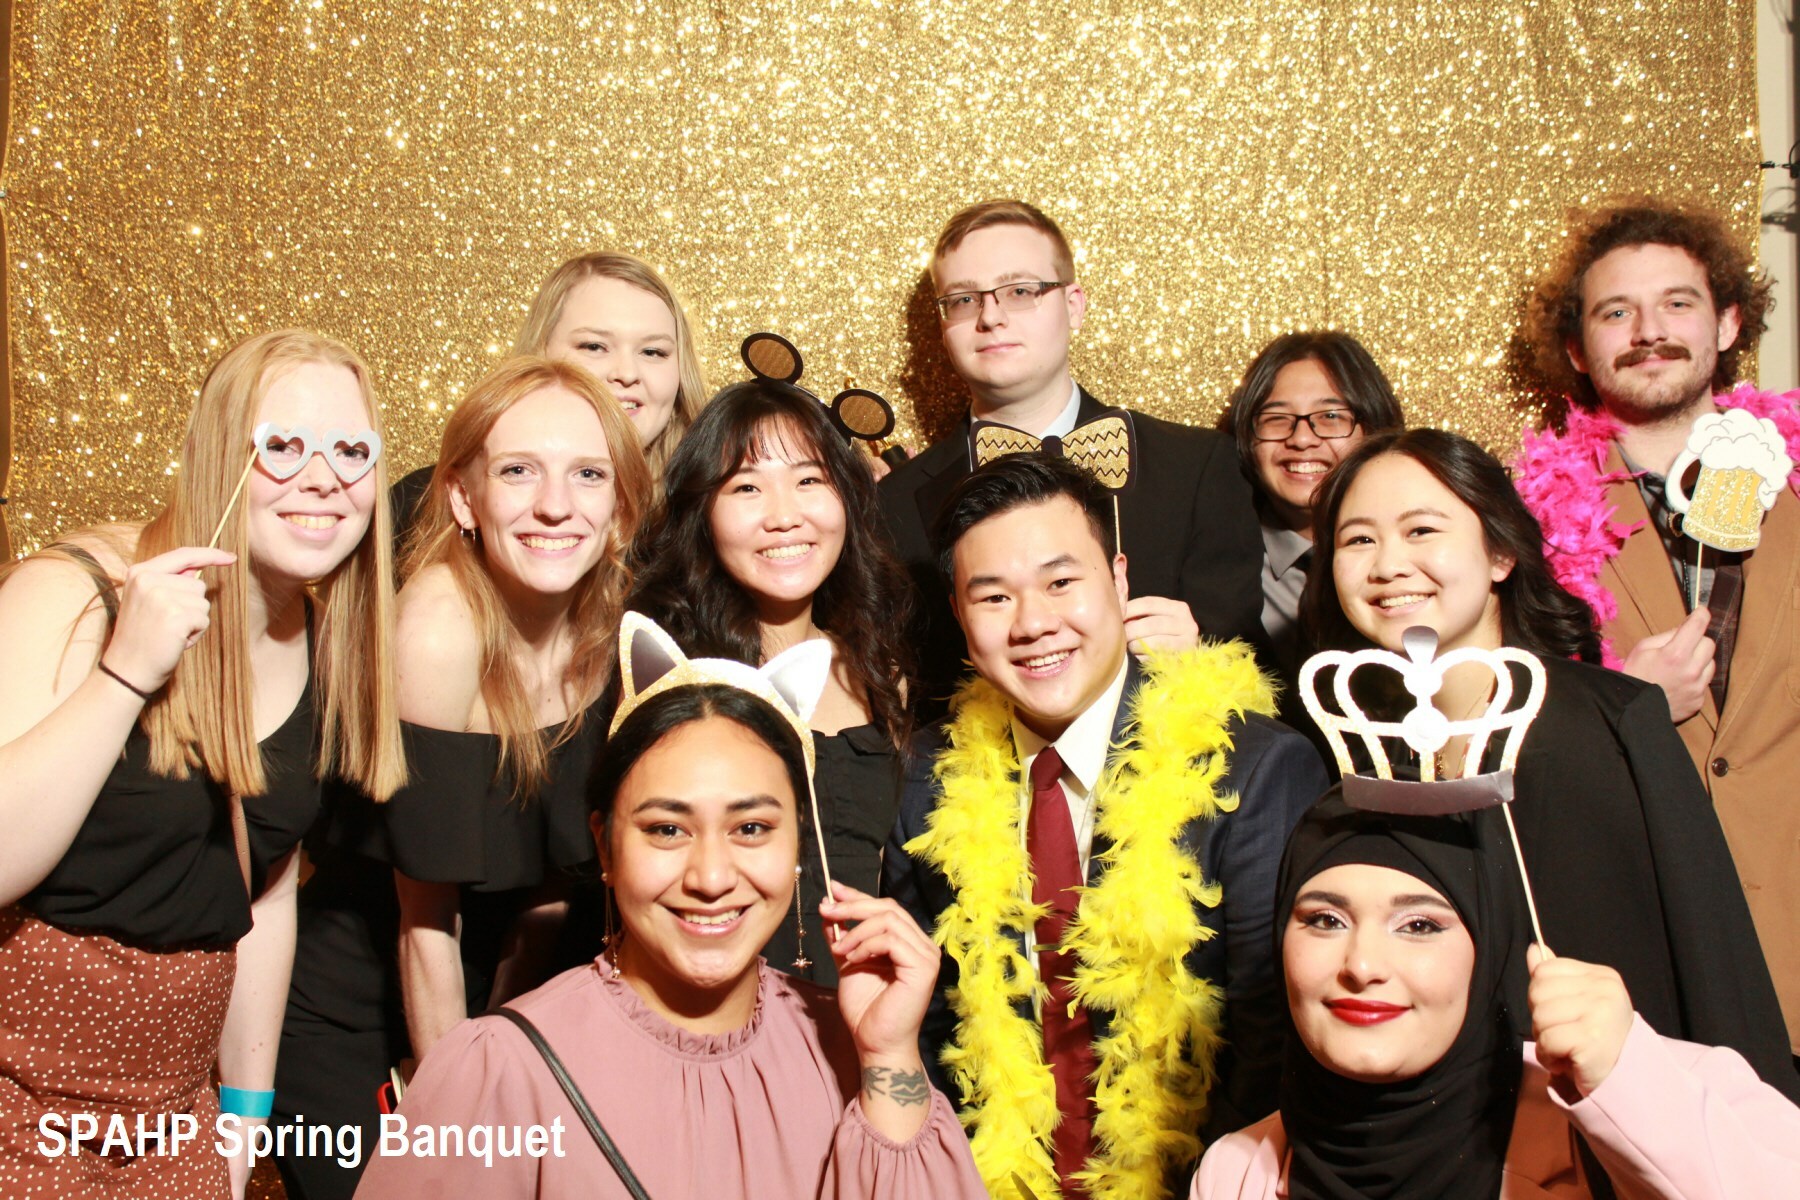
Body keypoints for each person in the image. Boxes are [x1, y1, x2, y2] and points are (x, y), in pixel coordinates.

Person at [353, 617, 987, 1198]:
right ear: (605, 844)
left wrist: (888, 1056)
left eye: (751, 829)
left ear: (797, 840)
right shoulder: (496, 1070)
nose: (711, 878)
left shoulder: (850, 1044)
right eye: (666, 830)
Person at [0, 329, 405, 1199]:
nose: (323, 476)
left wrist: (244, 1116)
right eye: (283, 444)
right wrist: (124, 675)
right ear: (222, 451)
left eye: (351, 450)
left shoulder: (327, 643)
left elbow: (264, 887)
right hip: (19, 1088)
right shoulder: (75, 594)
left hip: (174, 1108)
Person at [882, 453, 1327, 1199]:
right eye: (993, 597)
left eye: (1061, 583)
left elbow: (1271, 1039)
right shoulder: (924, 774)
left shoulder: (1251, 770)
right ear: (958, 614)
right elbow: (928, 1017)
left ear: (1119, 581)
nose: (1033, 624)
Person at [1303, 427, 1798, 1099]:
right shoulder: (1366, 751)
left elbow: (1711, 962)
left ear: (1501, 552)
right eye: (1358, 539)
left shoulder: (1606, 724)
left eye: (1421, 530)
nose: (1388, 564)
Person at [275, 357, 650, 1199]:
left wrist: (514, 1044)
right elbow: (425, 926)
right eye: (518, 471)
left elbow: (550, 889)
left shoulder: (609, 628)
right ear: (462, 499)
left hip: (501, 992)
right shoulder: (437, 632)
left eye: (588, 475)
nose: (555, 504)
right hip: (361, 1012)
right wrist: (460, 1123)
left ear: (622, 507)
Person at [1192, 793, 1800, 1199]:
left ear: (1490, 952)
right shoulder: (1235, 1172)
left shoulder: (1672, 1093)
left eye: (1419, 925)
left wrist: (1627, 1087)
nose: (1363, 966)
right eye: (1326, 920)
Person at [1512, 199, 1800, 1056]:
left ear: (1728, 322)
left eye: (1677, 303)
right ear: (1577, 348)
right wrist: (1617, 708)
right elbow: (1487, 734)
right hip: (1642, 960)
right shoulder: (1521, 524)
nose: (1649, 332)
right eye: (1616, 312)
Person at [878, 199, 1263, 715]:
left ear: (1074, 304)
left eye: (1020, 291)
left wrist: (1200, 657)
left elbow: (1255, 667)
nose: (990, 317)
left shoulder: (1196, 467)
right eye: (964, 300)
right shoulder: (893, 501)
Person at [627, 377, 915, 985]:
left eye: (809, 480)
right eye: (747, 487)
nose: (785, 517)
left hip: (858, 1010)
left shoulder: (880, 671)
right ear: (702, 512)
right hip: (711, 1003)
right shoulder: (665, 674)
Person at [391, 249, 708, 527]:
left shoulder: (704, 520)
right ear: (540, 355)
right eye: (594, 346)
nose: (626, 373)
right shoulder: (418, 503)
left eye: (653, 352)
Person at [1221, 329, 1404, 693]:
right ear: (1248, 438)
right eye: (1276, 418)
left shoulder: (1414, 556)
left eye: (1331, 416)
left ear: (1373, 428)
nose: (1302, 439)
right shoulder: (1213, 559)